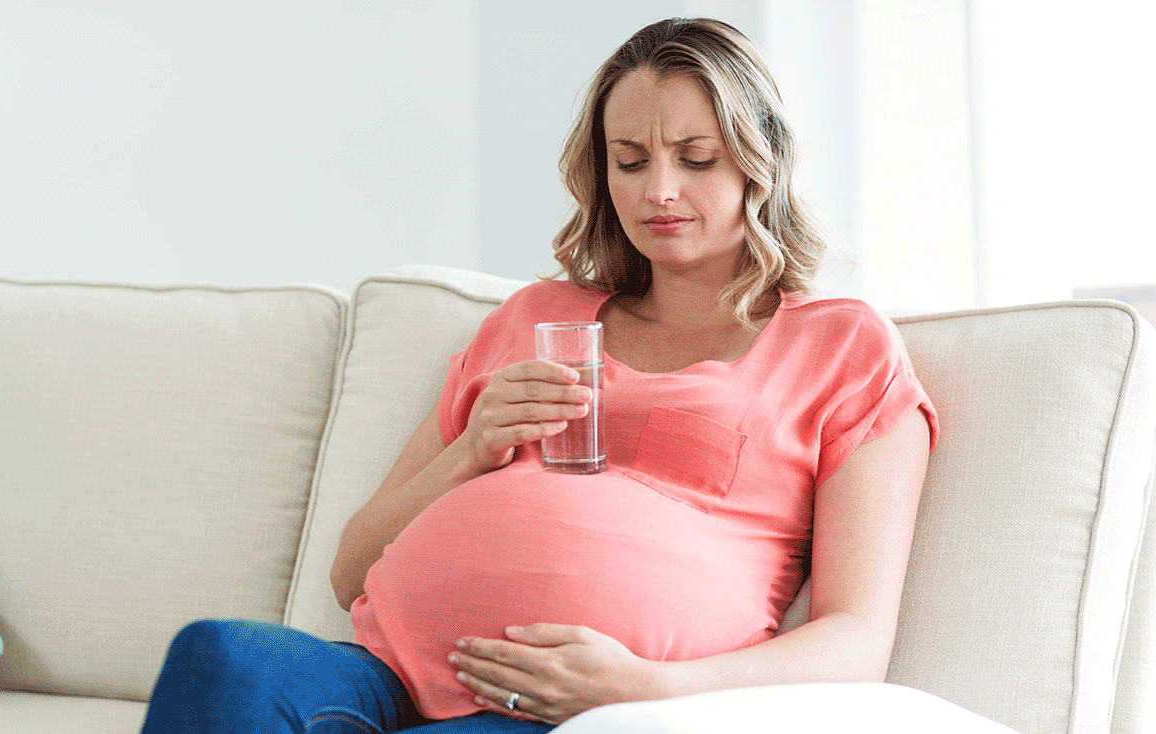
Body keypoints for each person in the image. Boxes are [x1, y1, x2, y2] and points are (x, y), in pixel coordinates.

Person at [139, 16, 938, 733]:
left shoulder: (839, 347)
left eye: (695, 158)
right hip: (385, 675)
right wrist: (471, 449)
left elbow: (855, 640)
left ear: (758, 162)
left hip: (573, 712)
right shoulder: (538, 317)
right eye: (629, 161)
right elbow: (351, 572)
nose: (658, 190)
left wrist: (650, 688)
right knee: (220, 656)